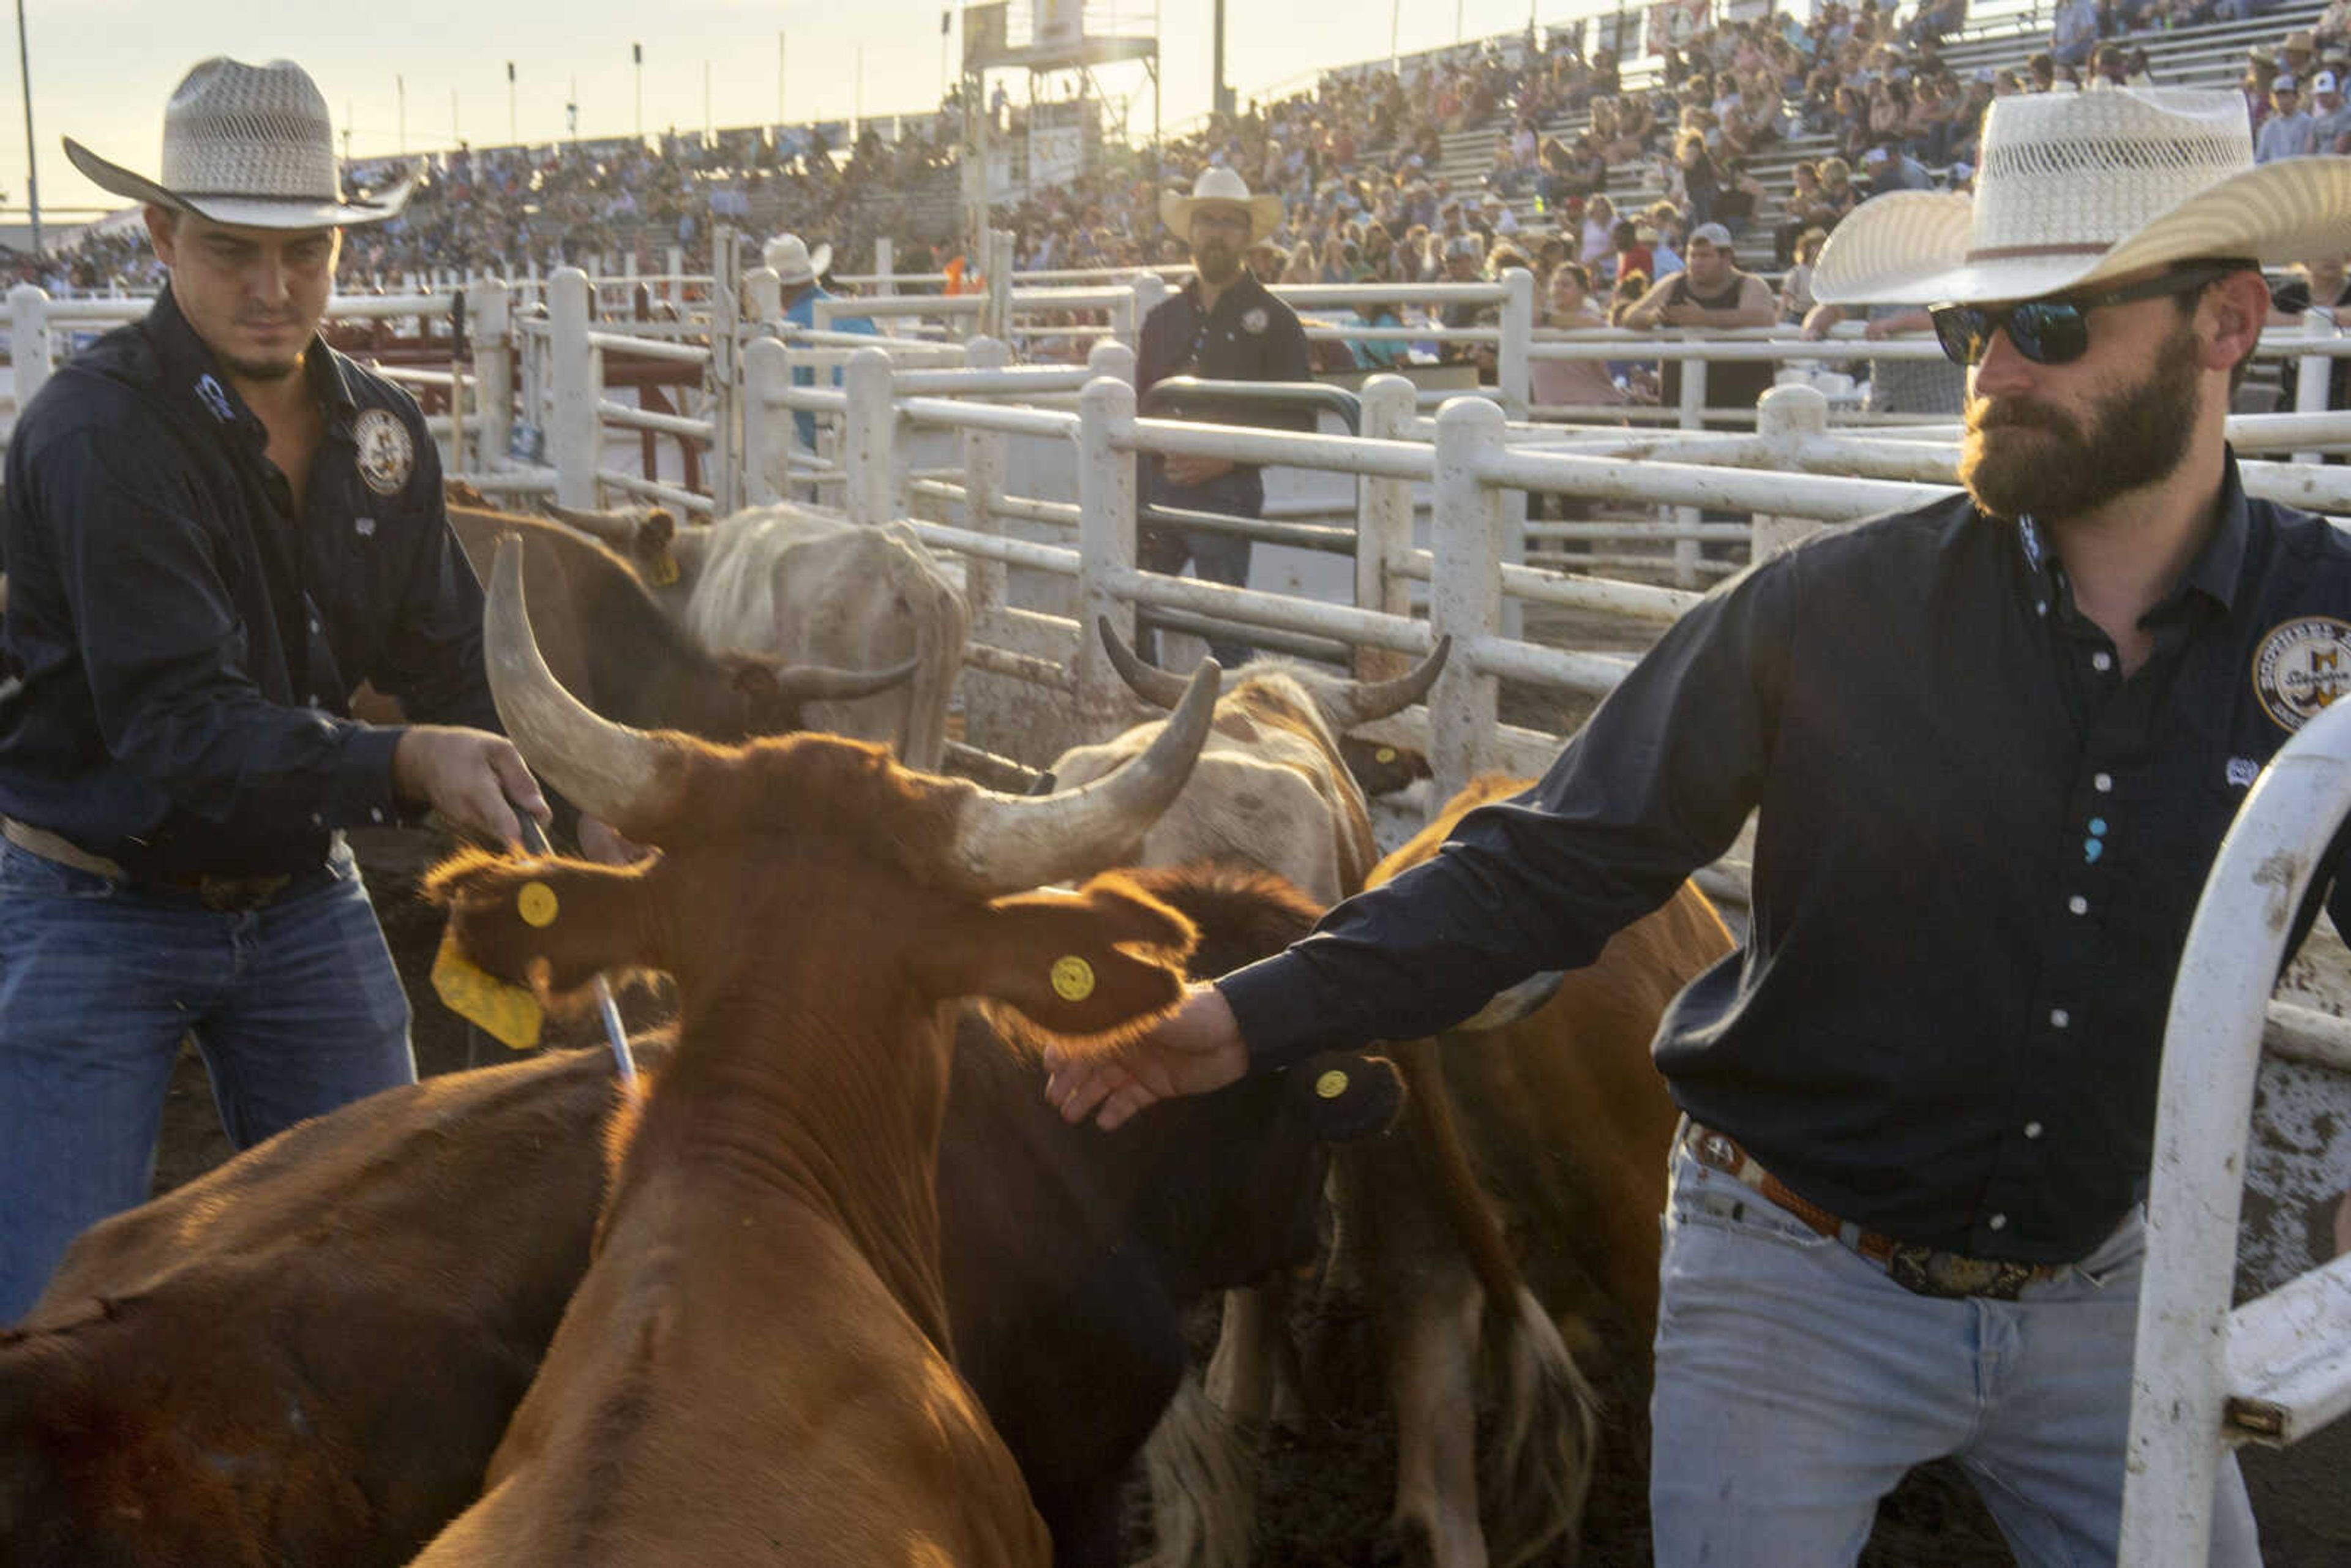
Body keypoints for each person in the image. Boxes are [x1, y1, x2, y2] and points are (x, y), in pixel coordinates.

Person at [1047, 84, 2349, 1566]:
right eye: (1962, 328)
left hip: (2107, 1291)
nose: (1987, 365)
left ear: (2226, 324)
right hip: (1800, 1279)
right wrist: (1242, 1015)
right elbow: (1549, 854)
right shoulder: (1826, 614)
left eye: (2046, 324)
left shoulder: (2325, 632)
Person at [0, 58, 552, 1321]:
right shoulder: (99, 437)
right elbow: (180, 727)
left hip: (298, 889)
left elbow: (451, 657)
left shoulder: (382, 430)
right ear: (160, 236)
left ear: (338, 244)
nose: (274, 288)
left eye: (306, 251)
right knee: (39, 1322)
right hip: (97, 895)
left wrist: (576, 791)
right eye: (232, 250)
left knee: (390, 1281)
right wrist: (408, 762)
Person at [1133, 168, 1311, 666]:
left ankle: (1248, 720)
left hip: (1226, 495)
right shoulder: (1162, 320)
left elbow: (1300, 422)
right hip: (1159, 488)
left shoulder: (1277, 321)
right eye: (1206, 220)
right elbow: (1138, 411)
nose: (1216, 231)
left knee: (1224, 625)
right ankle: (1142, 706)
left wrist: (1226, 458)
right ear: (1190, 231)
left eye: (1229, 222)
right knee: (1127, 602)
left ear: (1246, 235)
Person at [1619, 221, 1780, 426]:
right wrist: (1655, 317)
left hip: (1739, 405)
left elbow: (1763, 318)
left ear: (1727, 257)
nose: (1696, 262)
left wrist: (1704, 318)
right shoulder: (1674, 283)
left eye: (1705, 256)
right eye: (1692, 255)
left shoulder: (1750, 284)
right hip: (1680, 402)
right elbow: (1630, 316)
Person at [771, 231, 876, 452]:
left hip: (829, 437)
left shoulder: (789, 329)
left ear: (778, 288)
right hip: (877, 425)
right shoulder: (856, 311)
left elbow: (800, 402)